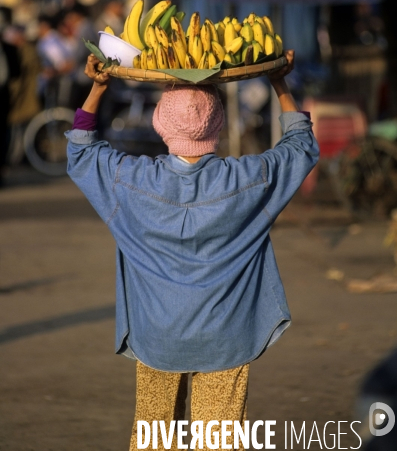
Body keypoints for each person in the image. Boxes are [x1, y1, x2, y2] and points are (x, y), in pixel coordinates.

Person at [66, 50, 319, 451]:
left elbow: (80, 149)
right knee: (216, 443)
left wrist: (98, 87)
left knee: (153, 439)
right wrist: (278, 82)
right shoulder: (249, 180)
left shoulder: (130, 181)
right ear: (217, 124)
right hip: (227, 337)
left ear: (159, 124)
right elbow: (301, 146)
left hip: (157, 337)